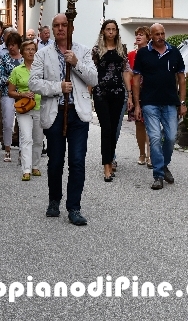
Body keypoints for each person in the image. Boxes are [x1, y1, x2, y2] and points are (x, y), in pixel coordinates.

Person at [29, 14, 98, 226]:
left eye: (64, 25)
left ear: (71, 28)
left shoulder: (84, 51)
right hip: (55, 113)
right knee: (56, 161)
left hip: (78, 114)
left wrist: (75, 63)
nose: (60, 29)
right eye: (56, 25)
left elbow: (94, 79)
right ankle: (54, 200)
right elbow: (34, 83)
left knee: (77, 161)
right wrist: (58, 87)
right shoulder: (42, 54)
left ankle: (74, 207)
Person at [132, 23, 186, 190]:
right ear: (151, 36)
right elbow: (135, 80)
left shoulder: (174, 52)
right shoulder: (143, 54)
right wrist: (137, 104)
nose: (160, 37)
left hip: (170, 102)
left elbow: (182, 79)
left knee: (170, 137)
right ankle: (158, 175)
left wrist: (182, 102)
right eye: (157, 34)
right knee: (155, 138)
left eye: (162, 33)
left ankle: (163, 164)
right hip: (150, 103)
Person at [92, 19, 133, 182]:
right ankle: (106, 166)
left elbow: (125, 71)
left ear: (117, 32)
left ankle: (110, 159)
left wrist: (129, 94)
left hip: (117, 93)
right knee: (106, 129)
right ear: (103, 31)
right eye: (108, 29)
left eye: (113, 29)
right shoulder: (96, 50)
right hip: (101, 93)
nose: (110, 32)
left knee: (114, 129)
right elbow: (91, 72)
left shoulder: (122, 50)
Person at [8, 40, 43, 181]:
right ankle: (26, 169)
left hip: (40, 106)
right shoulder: (17, 70)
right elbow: (10, 92)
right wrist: (22, 94)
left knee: (38, 140)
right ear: (22, 53)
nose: (30, 52)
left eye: (33, 49)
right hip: (24, 108)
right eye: (27, 49)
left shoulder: (41, 69)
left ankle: (35, 166)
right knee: (26, 138)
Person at [0, 32, 24, 162]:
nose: (11, 47)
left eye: (13, 45)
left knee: (23, 123)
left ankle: (22, 150)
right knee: (7, 123)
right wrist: (13, 80)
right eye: (8, 45)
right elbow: (0, 78)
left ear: (18, 45)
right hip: (8, 93)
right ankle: (7, 149)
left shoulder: (25, 59)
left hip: (23, 94)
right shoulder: (3, 58)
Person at [129, 26, 151, 167]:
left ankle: (151, 155)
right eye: (137, 34)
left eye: (141, 35)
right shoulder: (130, 55)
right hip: (135, 92)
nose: (138, 37)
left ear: (148, 38)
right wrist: (130, 96)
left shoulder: (152, 53)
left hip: (149, 91)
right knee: (139, 124)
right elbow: (128, 76)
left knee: (150, 123)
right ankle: (142, 153)